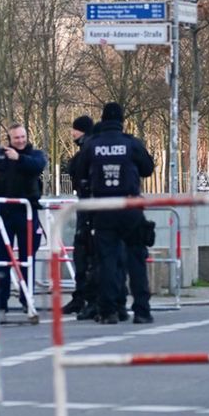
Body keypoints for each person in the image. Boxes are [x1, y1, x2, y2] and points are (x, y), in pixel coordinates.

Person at [85, 102, 155, 325]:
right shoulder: (131, 143)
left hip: (103, 208)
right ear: (122, 121)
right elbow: (148, 168)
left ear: (103, 119)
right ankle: (142, 310)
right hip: (130, 207)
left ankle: (109, 311)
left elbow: (78, 169)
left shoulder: (93, 144)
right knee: (136, 259)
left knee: (107, 261)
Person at [0, 123, 47, 314]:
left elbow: (38, 166)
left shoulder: (35, 155)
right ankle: (1, 302)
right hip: (4, 215)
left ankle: (27, 299)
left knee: (27, 259)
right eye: (16, 138)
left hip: (27, 215)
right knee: (2, 259)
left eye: (23, 137)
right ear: (9, 139)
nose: (21, 141)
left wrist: (19, 159)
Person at [63, 115, 98, 319]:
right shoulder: (89, 148)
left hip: (89, 210)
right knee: (84, 256)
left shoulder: (87, 150)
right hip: (89, 209)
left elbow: (74, 170)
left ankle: (87, 300)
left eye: (75, 129)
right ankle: (82, 298)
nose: (72, 133)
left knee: (85, 256)